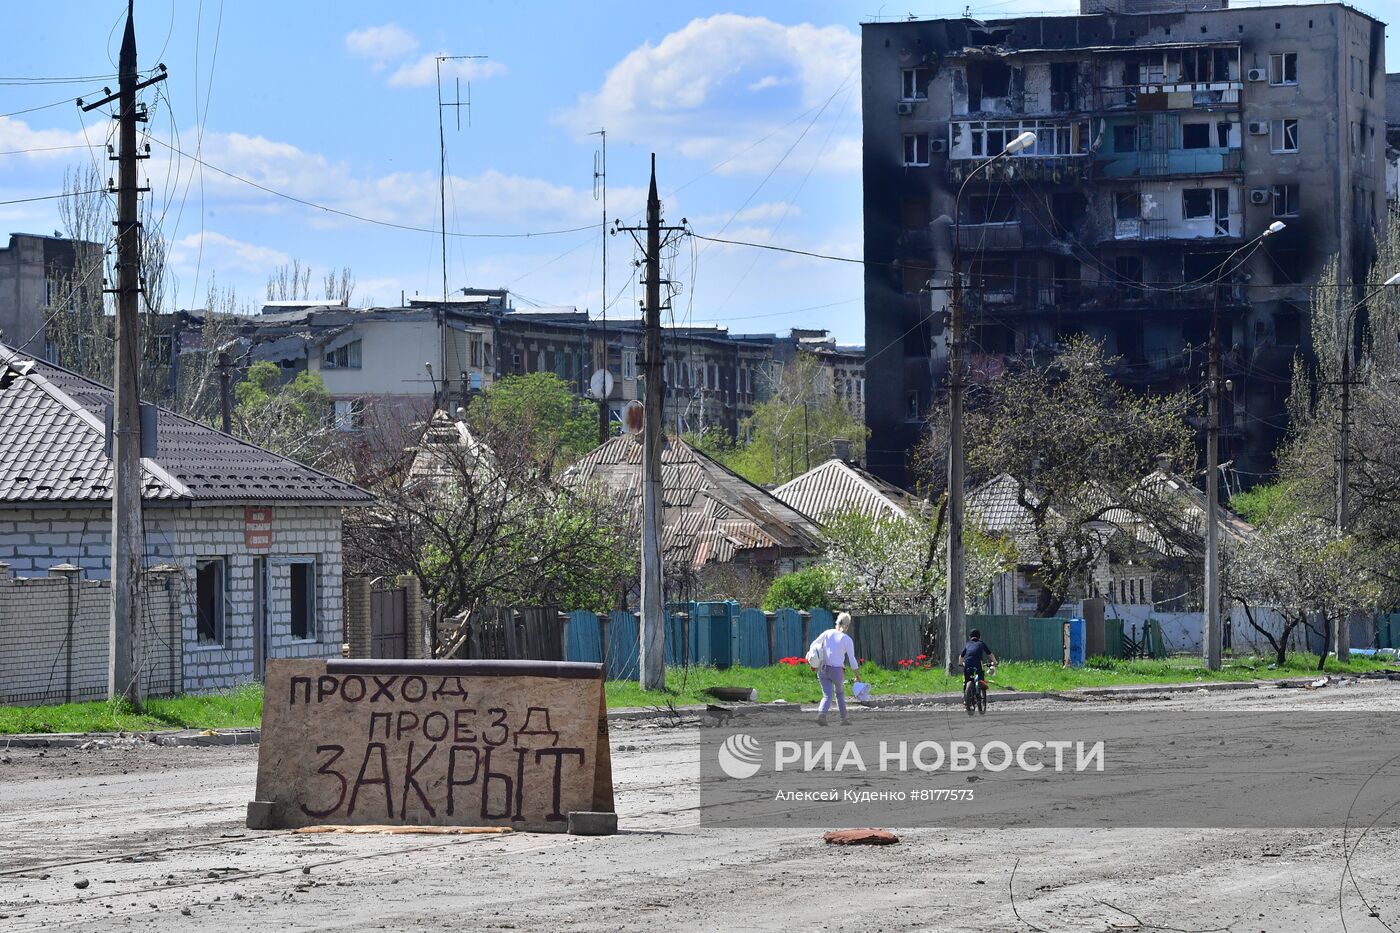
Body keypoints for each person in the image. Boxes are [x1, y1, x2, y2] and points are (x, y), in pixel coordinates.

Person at [811, 612, 859, 726]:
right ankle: (843, 719)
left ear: (837, 622)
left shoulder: (827, 633)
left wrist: (814, 661)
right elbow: (852, 659)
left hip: (823, 668)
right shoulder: (847, 639)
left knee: (827, 695)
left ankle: (821, 715)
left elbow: (814, 644)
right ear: (847, 626)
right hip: (837, 671)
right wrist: (857, 675)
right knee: (839, 694)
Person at [959, 629, 997, 694]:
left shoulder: (967, 644)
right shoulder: (981, 643)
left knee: (966, 680)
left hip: (967, 664)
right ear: (979, 637)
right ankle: (981, 685)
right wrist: (995, 662)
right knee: (980, 675)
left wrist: (960, 664)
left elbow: (961, 656)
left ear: (969, 637)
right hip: (977, 664)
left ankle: (965, 698)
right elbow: (989, 654)